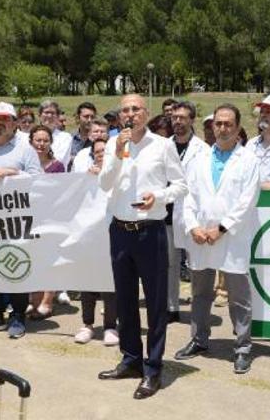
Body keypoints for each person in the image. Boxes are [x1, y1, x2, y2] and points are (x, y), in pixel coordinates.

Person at [97, 94, 187, 400]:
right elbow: (105, 184)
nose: (130, 114)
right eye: (125, 110)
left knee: (156, 302)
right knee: (125, 300)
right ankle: (131, 359)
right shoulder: (113, 144)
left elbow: (180, 185)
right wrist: (118, 154)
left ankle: (153, 367)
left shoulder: (162, 146)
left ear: (146, 113)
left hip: (150, 232)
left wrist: (158, 198)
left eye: (136, 109)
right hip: (120, 230)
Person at [175, 104, 260, 374]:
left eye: (228, 124)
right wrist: (193, 227)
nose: (222, 129)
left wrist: (221, 228)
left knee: (238, 296)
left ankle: (243, 347)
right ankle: (199, 339)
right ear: (212, 126)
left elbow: (247, 201)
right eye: (218, 124)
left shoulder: (248, 160)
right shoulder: (199, 158)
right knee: (200, 293)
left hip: (231, 237)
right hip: (200, 237)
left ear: (237, 128)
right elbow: (188, 196)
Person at [0, 102, 42, 339]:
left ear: (14, 123)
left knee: (15, 267)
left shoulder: (26, 150)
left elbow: (39, 182)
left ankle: (18, 316)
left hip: (15, 222)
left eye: (5, 119)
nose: (0, 124)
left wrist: (12, 173)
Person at [75, 138, 119, 346]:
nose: (101, 154)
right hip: (89, 236)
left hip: (113, 234)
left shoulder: (119, 173)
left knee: (110, 283)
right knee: (88, 282)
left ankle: (111, 325)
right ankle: (87, 324)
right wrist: (87, 179)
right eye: (97, 151)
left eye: (105, 150)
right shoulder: (85, 178)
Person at [168, 101, 209, 323]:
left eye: (183, 118)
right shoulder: (163, 145)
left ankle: (199, 309)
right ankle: (171, 307)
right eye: (175, 117)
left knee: (196, 264)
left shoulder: (202, 149)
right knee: (169, 264)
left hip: (193, 214)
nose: (178, 122)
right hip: (167, 213)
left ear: (192, 120)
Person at [26, 124, 64, 317]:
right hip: (28, 219)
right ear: (30, 141)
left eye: (45, 140)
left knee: (49, 261)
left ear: (51, 143)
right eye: (37, 140)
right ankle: (34, 301)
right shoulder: (24, 165)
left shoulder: (57, 166)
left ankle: (47, 302)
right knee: (33, 261)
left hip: (50, 219)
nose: (41, 144)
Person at [38, 100, 72, 168]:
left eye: (53, 113)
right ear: (39, 115)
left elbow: (59, 160)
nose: (49, 116)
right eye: (46, 112)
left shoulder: (65, 138)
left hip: (57, 176)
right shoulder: (30, 136)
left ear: (58, 117)